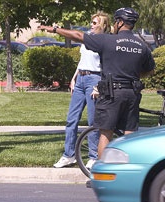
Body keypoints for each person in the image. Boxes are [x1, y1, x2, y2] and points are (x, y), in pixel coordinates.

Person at [38, 7, 155, 162]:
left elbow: (78, 35)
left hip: (111, 93)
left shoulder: (107, 40)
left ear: (120, 22)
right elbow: (150, 70)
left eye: (115, 21)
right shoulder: (142, 46)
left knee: (105, 134)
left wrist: (55, 29)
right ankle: (127, 173)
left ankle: (103, 175)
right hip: (132, 94)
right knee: (130, 135)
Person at [53, 12, 111, 168]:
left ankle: (93, 156)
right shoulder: (86, 39)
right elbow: (82, 61)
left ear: (103, 25)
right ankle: (69, 155)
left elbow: (107, 67)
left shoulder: (105, 42)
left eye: (94, 22)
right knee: (72, 119)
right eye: (91, 22)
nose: (91, 24)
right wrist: (74, 78)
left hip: (94, 79)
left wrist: (99, 86)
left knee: (93, 121)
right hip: (80, 79)